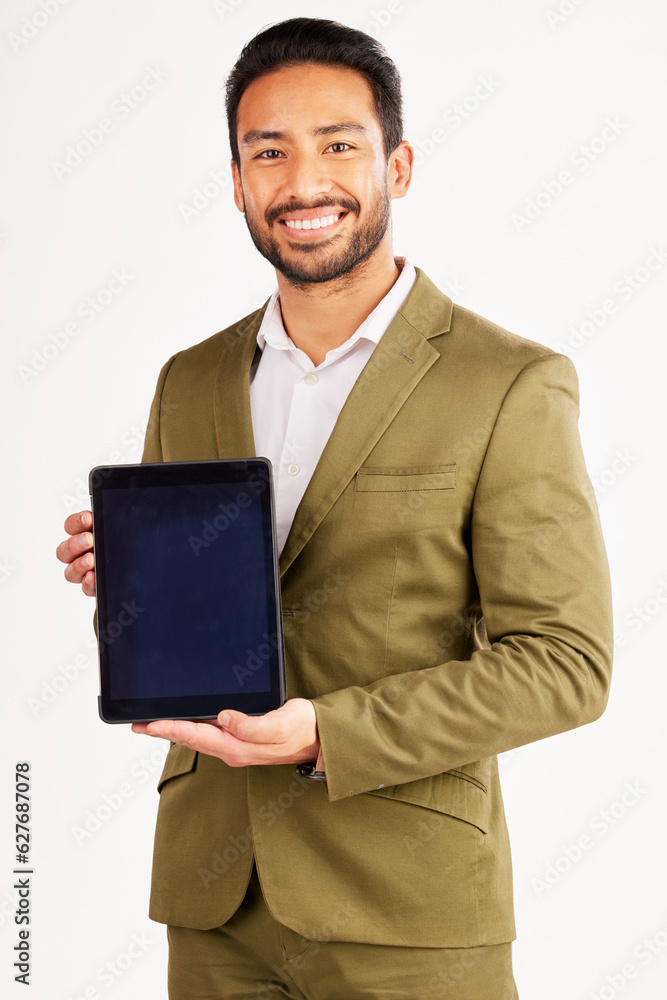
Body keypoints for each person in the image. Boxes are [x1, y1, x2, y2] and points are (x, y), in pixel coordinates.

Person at [56, 17, 613, 1000]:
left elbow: (565, 666)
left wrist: (328, 732)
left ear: (397, 165)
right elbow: (203, 633)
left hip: (409, 905)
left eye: (338, 145)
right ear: (236, 183)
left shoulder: (510, 382)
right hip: (215, 899)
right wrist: (136, 588)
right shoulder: (188, 380)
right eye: (268, 152)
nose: (302, 180)